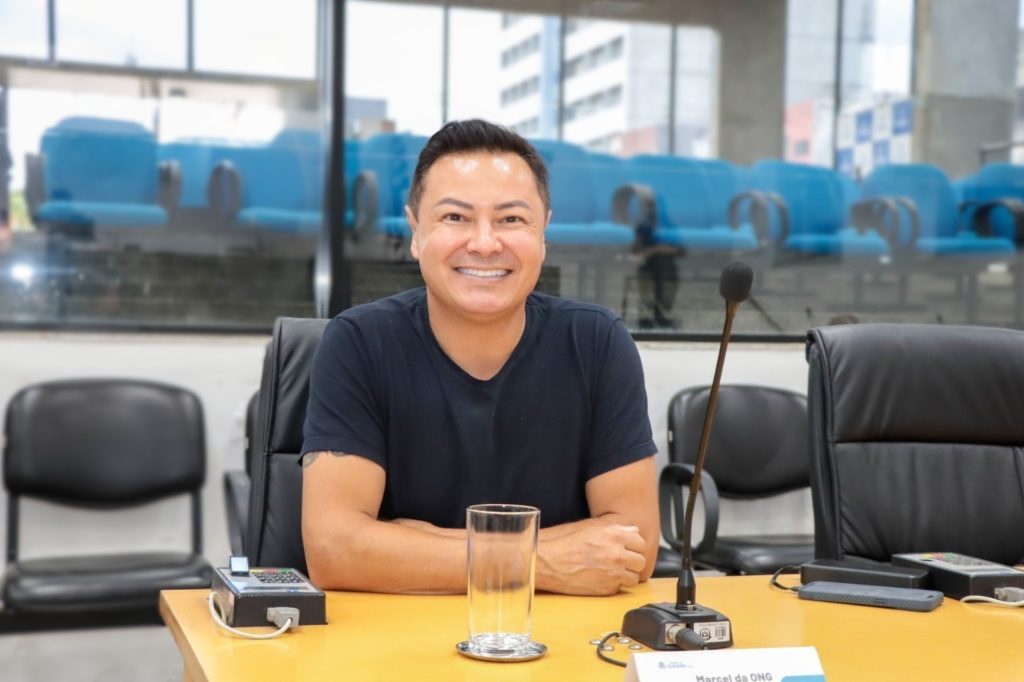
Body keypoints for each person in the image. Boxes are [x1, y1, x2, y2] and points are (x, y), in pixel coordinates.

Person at [301, 120, 658, 596]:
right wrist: (543, 560)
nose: (486, 243)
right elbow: (334, 550)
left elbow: (634, 549)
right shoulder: (359, 342)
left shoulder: (597, 341)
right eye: (455, 218)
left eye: (511, 219)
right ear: (415, 231)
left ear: (544, 232)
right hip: (398, 636)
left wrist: (416, 544)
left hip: (560, 638)